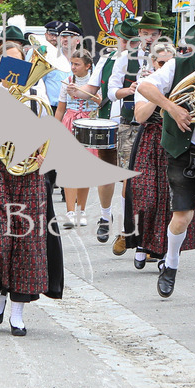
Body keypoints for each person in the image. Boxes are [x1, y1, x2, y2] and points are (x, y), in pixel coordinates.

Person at [136, 9, 195, 306]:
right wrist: (172, 108)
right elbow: (145, 86)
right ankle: (172, 262)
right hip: (183, 150)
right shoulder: (177, 65)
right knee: (183, 217)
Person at [0, 40, 63, 336]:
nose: (15, 70)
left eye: (20, 63)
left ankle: (18, 313)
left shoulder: (38, 93)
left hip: (30, 174)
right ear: (0, 67)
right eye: (8, 63)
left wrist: (42, 151)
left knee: (26, 244)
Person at [120, 42, 195, 270]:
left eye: (169, 63)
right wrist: (160, 98)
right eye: (160, 63)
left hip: (177, 142)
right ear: (152, 63)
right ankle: (141, 245)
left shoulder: (183, 83)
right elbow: (140, 116)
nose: (164, 66)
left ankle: (167, 253)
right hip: (150, 141)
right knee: (144, 196)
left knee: (172, 201)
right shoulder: (147, 85)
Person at [107, 13, 164, 245]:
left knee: (160, 181)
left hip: (159, 124)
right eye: (145, 33)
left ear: (159, 35)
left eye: (154, 34)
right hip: (131, 123)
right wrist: (130, 90)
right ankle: (125, 229)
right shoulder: (125, 58)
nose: (149, 38)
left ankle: (154, 233)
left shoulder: (167, 58)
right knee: (130, 180)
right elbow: (111, 92)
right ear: (139, 34)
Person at [82, 28, 127, 243]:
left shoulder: (147, 59)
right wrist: (75, 91)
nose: (126, 42)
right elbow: (90, 88)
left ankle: (129, 222)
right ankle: (104, 217)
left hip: (135, 122)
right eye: (124, 38)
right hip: (108, 120)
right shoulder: (107, 58)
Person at [54, 49, 100, 228]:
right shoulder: (67, 81)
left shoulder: (94, 81)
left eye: (77, 64)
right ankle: (70, 212)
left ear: (88, 66)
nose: (73, 67)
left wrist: (81, 91)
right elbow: (60, 107)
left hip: (88, 123)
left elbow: (100, 101)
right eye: (72, 63)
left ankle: (81, 211)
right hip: (70, 122)